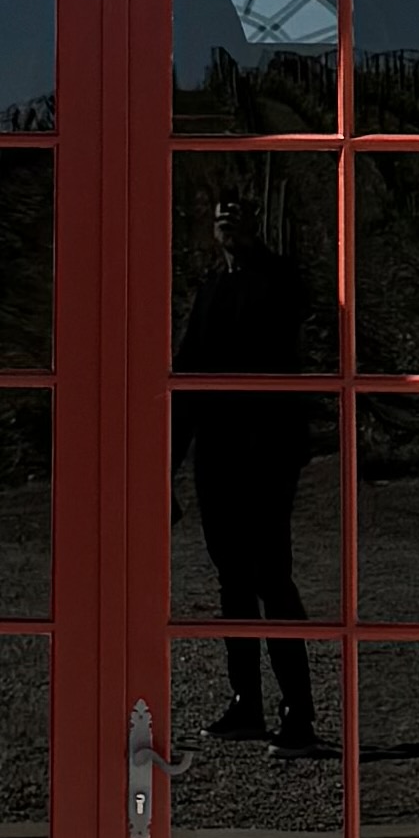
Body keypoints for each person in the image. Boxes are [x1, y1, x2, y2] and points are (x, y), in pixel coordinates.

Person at [173, 181, 324, 751]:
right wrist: (169, 464)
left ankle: (297, 710)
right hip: (217, 460)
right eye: (219, 218)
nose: (225, 223)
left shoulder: (278, 281)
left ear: (255, 223)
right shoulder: (210, 289)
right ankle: (247, 704)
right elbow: (185, 378)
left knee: (271, 579)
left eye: (235, 216)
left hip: (264, 457)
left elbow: (278, 346)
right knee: (232, 581)